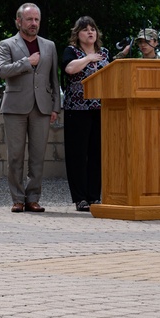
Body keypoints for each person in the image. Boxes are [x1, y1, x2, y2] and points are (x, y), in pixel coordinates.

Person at [0, 2, 61, 213]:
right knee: (15, 155)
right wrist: (27, 62)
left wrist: (55, 107)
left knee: (37, 156)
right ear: (19, 21)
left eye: (36, 20)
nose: (33, 23)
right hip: (15, 107)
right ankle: (17, 198)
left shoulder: (49, 45)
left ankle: (33, 198)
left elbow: (54, 79)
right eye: (29, 19)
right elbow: (3, 70)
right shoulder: (7, 44)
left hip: (41, 107)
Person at [61, 16, 109, 212]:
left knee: (97, 153)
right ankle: (80, 198)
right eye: (85, 29)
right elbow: (70, 69)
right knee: (78, 155)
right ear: (77, 34)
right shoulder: (72, 51)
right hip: (77, 110)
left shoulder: (105, 53)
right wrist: (88, 58)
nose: (90, 32)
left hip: (100, 109)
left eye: (93, 29)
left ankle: (93, 196)